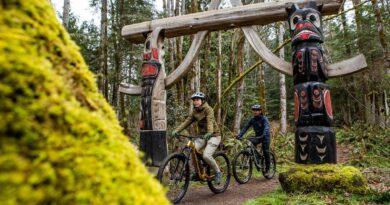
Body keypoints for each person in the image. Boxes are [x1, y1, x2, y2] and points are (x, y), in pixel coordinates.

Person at [172, 92, 222, 184]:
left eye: (197, 100)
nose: (195, 102)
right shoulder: (195, 112)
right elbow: (187, 121)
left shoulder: (208, 109)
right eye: (194, 100)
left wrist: (210, 132)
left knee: (206, 155)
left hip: (214, 135)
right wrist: (177, 130)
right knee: (191, 150)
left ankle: (218, 172)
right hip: (202, 136)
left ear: (202, 101)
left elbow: (210, 121)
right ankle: (197, 172)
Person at [236, 104, 271, 176]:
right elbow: (245, 127)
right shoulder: (252, 119)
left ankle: (267, 169)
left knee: (266, 151)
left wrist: (264, 134)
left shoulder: (264, 119)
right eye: (254, 110)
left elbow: (266, 127)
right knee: (251, 144)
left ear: (260, 111)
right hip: (257, 137)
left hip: (265, 137)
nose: (255, 112)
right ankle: (257, 160)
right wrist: (240, 135)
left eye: (257, 110)